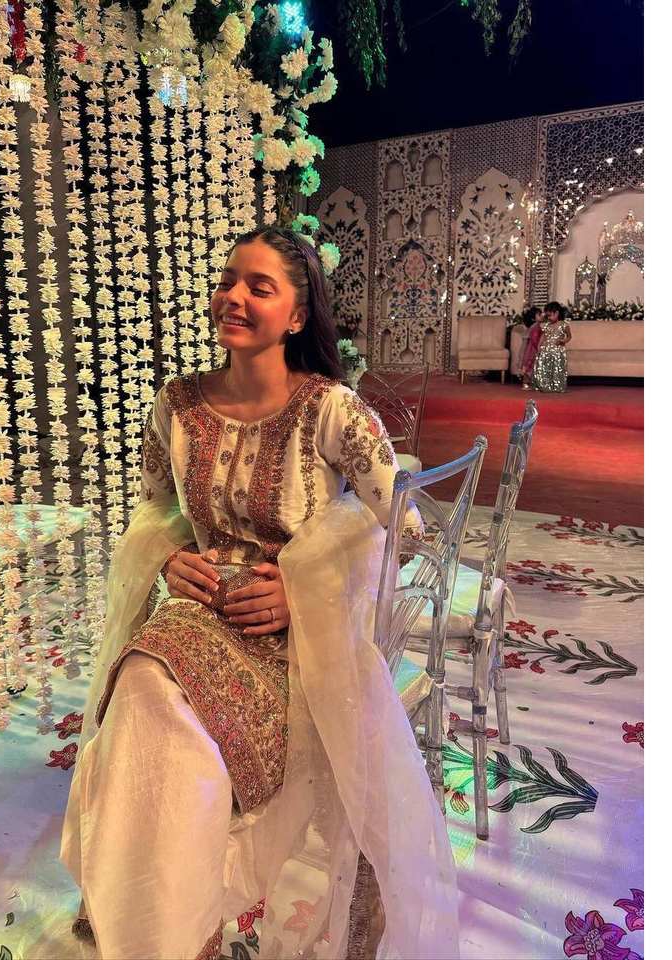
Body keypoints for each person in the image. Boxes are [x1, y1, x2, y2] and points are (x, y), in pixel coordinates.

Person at [60, 226, 459, 960]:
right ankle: (165, 936)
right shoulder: (176, 406)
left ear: (297, 316)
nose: (232, 297)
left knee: (168, 737)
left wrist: (306, 590)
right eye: (227, 281)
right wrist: (169, 557)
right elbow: (155, 510)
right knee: (142, 688)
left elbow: (406, 534)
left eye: (258, 287)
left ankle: (159, 932)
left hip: (293, 642)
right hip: (195, 614)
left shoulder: (333, 412)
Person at [531, 301, 572, 393]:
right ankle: (544, 384)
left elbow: (569, 336)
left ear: (557, 313)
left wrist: (563, 341)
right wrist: (539, 346)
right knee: (544, 365)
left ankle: (557, 385)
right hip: (546, 348)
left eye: (550, 315)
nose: (548, 318)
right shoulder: (547, 325)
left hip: (557, 350)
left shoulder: (564, 325)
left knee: (556, 367)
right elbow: (543, 336)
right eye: (547, 316)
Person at [519, 305, 543, 390]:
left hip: (532, 348)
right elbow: (534, 339)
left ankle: (530, 383)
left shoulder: (536, 326)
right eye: (539, 315)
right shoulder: (535, 327)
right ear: (533, 318)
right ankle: (525, 383)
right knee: (529, 365)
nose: (542, 315)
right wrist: (538, 347)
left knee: (531, 366)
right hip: (531, 349)